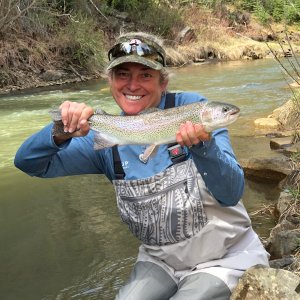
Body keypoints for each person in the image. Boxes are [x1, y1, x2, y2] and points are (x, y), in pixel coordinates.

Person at [14, 32, 269, 300]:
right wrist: (59, 131)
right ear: (110, 82)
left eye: (145, 75)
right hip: (160, 262)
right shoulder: (107, 135)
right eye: (123, 74)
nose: (133, 85)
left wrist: (203, 147)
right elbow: (29, 163)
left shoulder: (194, 109)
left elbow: (231, 193)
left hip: (226, 257)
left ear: (163, 83)